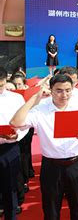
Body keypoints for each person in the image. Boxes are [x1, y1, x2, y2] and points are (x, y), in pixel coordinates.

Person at [10, 74, 78, 220]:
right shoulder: (40, 110)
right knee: (51, 210)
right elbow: (15, 123)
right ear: (50, 90)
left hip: (77, 164)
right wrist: (33, 100)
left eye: (68, 90)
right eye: (59, 90)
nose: (64, 95)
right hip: (51, 167)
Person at [0, 67, 27, 219]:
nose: (0, 89)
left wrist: (17, 135)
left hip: (10, 148)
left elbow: (24, 123)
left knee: (10, 187)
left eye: (2, 85)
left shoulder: (15, 98)